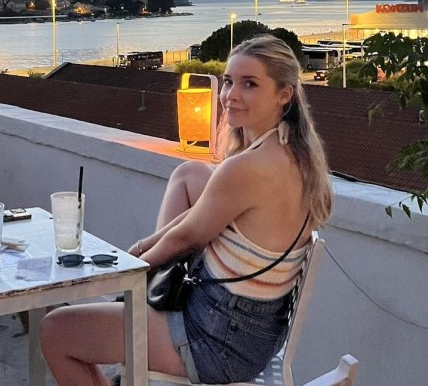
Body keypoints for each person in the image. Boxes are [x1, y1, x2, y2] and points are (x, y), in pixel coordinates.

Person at [40, 35, 333, 385]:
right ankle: (153, 292)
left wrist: (131, 265)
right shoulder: (295, 154)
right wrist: (147, 249)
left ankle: (147, 295)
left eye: (250, 84)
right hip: (253, 335)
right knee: (190, 173)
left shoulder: (248, 168)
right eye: (228, 81)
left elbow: (187, 236)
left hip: (214, 342)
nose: (231, 95)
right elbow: (194, 223)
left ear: (284, 94)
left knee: (55, 330)